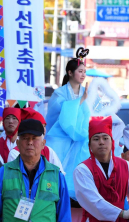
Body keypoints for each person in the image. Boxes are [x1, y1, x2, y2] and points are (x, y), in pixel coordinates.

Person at [0, 119, 75, 222]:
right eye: (25, 138)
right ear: (17, 143)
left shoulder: (56, 176)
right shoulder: (3, 173)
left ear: (43, 143)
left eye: (34, 138)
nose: (30, 142)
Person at [74, 116, 129, 222]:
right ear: (89, 145)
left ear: (112, 142)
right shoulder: (82, 170)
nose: (101, 142)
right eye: (96, 139)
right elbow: (93, 202)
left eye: (105, 138)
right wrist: (123, 213)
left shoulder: (128, 167)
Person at [45, 48, 91, 200]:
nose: (83, 75)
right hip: (62, 138)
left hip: (82, 138)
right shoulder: (59, 94)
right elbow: (59, 118)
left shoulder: (87, 92)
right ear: (70, 73)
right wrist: (80, 101)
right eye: (80, 71)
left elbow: (95, 112)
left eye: (84, 71)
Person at [7, 108, 65, 174]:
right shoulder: (14, 153)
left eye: (44, 126)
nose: (44, 130)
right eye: (41, 127)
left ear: (43, 143)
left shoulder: (48, 151)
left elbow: (60, 175)